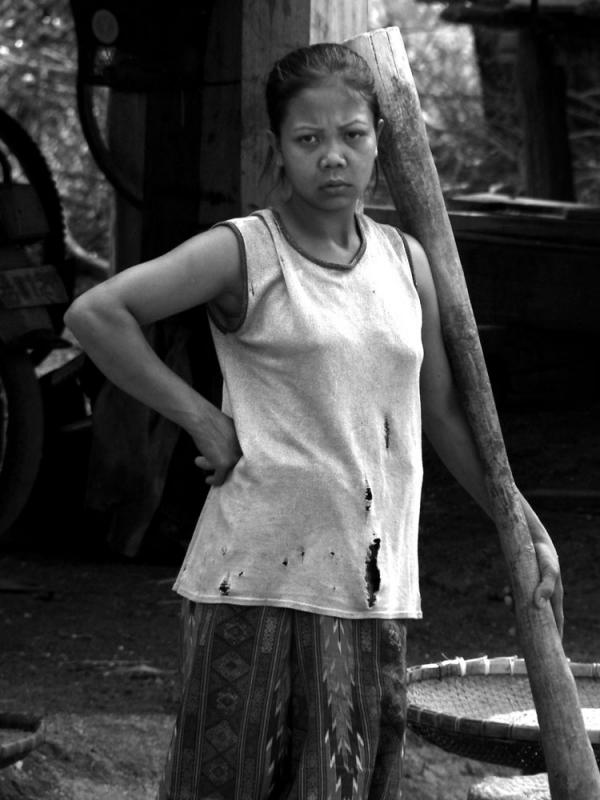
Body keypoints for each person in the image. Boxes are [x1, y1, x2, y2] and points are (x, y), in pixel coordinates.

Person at [65, 42, 563, 800]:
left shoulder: (408, 262)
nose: (333, 157)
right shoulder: (246, 252)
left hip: (369, 586)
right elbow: (98, 313)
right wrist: (202, 419)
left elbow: (441, 414)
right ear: (278, 150)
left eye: (353, 136)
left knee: (342, 786)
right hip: (256, 579)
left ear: (379, 142)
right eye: (309, 140)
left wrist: (516, 518)